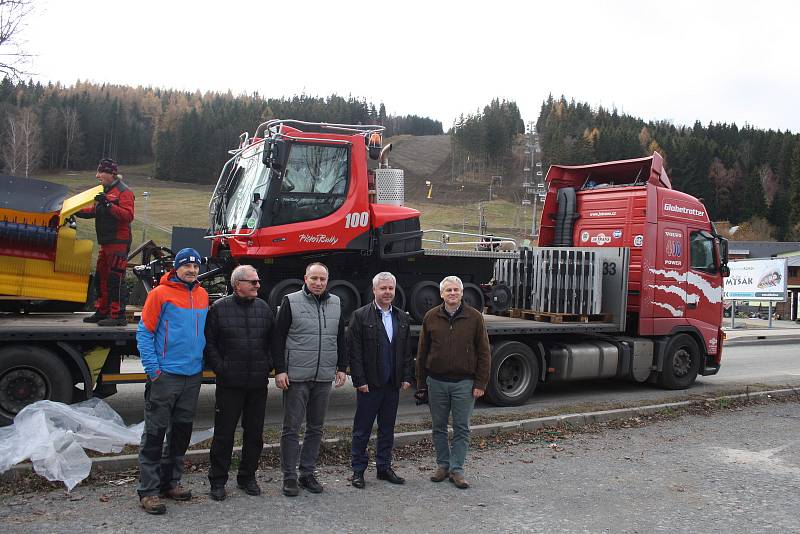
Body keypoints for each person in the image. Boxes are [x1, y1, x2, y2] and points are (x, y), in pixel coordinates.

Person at [135, 248, 208, 515]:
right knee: (155, 434)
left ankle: (170, 482)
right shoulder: (159, 294)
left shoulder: (201, 295)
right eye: (186, 266)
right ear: (176, 267)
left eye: (196, 267)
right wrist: (154, 370)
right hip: (166, 376)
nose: (192, 270)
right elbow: (144, 333)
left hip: (192, 375)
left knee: (180, 433)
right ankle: (149, 490)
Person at [272, 262, 347, 497]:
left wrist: (342, 367)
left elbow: (341, 337)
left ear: (328, 280)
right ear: (305, 278)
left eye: (322, 279)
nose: (318, 283)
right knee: (291, 428)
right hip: (296, 377)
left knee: (316, 428)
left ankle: (307, 473)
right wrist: (280, 370)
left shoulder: (336, 303)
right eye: (314, 278)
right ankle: (290, 476)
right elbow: (277, 338)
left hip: (323, 377)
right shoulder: (290, 301)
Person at [204, 265, 275, 501]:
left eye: (257, 281)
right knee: (224, 435)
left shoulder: (264, 309)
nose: (257, 285)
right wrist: (222, 368)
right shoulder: (219, 309)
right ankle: (217, 481)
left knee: (254, 435)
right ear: (237, 285)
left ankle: (247, 478)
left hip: (257, 384)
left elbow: (272, 342)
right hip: (229, 384)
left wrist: (268, 364)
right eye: (252, 282)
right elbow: (210, 344)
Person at [415, 275, 490, 490]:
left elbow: (484, 352)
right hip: (436, 382)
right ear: (441, 294)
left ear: (462, 293)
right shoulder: (430, 317)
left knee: (461, 427)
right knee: (438, 426)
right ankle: (443, 465)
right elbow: (422, 352)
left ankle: (457, 469)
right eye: (448, 290)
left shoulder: (475, 317)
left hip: (464, 383)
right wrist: (421, 384)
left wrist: (481, 383)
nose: (452, 294)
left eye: (456, 290)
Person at [348, 272, 413, 489]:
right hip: (370, 384)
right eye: (383, 288)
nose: (387, 292)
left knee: (387, 429)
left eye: (390, 288)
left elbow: (405, 351)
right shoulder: (360, 316)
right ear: (374, 290)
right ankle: (358, 470)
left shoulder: (402, 317)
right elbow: (354, 352)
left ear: (395, 291)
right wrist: (359, 380)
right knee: (362, 429)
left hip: (392, 384)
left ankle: (384, 467)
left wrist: (406, 376)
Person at [76, 158, 135, 326]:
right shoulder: (105, 190)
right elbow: (94, 210)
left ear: (111, 174)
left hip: (119, 242)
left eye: (100, 172)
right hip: (106, 242)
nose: (97, 175)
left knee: (115, 279)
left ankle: (117, 316)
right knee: (101, 277)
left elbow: (128, 216)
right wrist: (74, 211)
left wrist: (109, 204)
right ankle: (102, 311)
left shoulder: (124, 192)